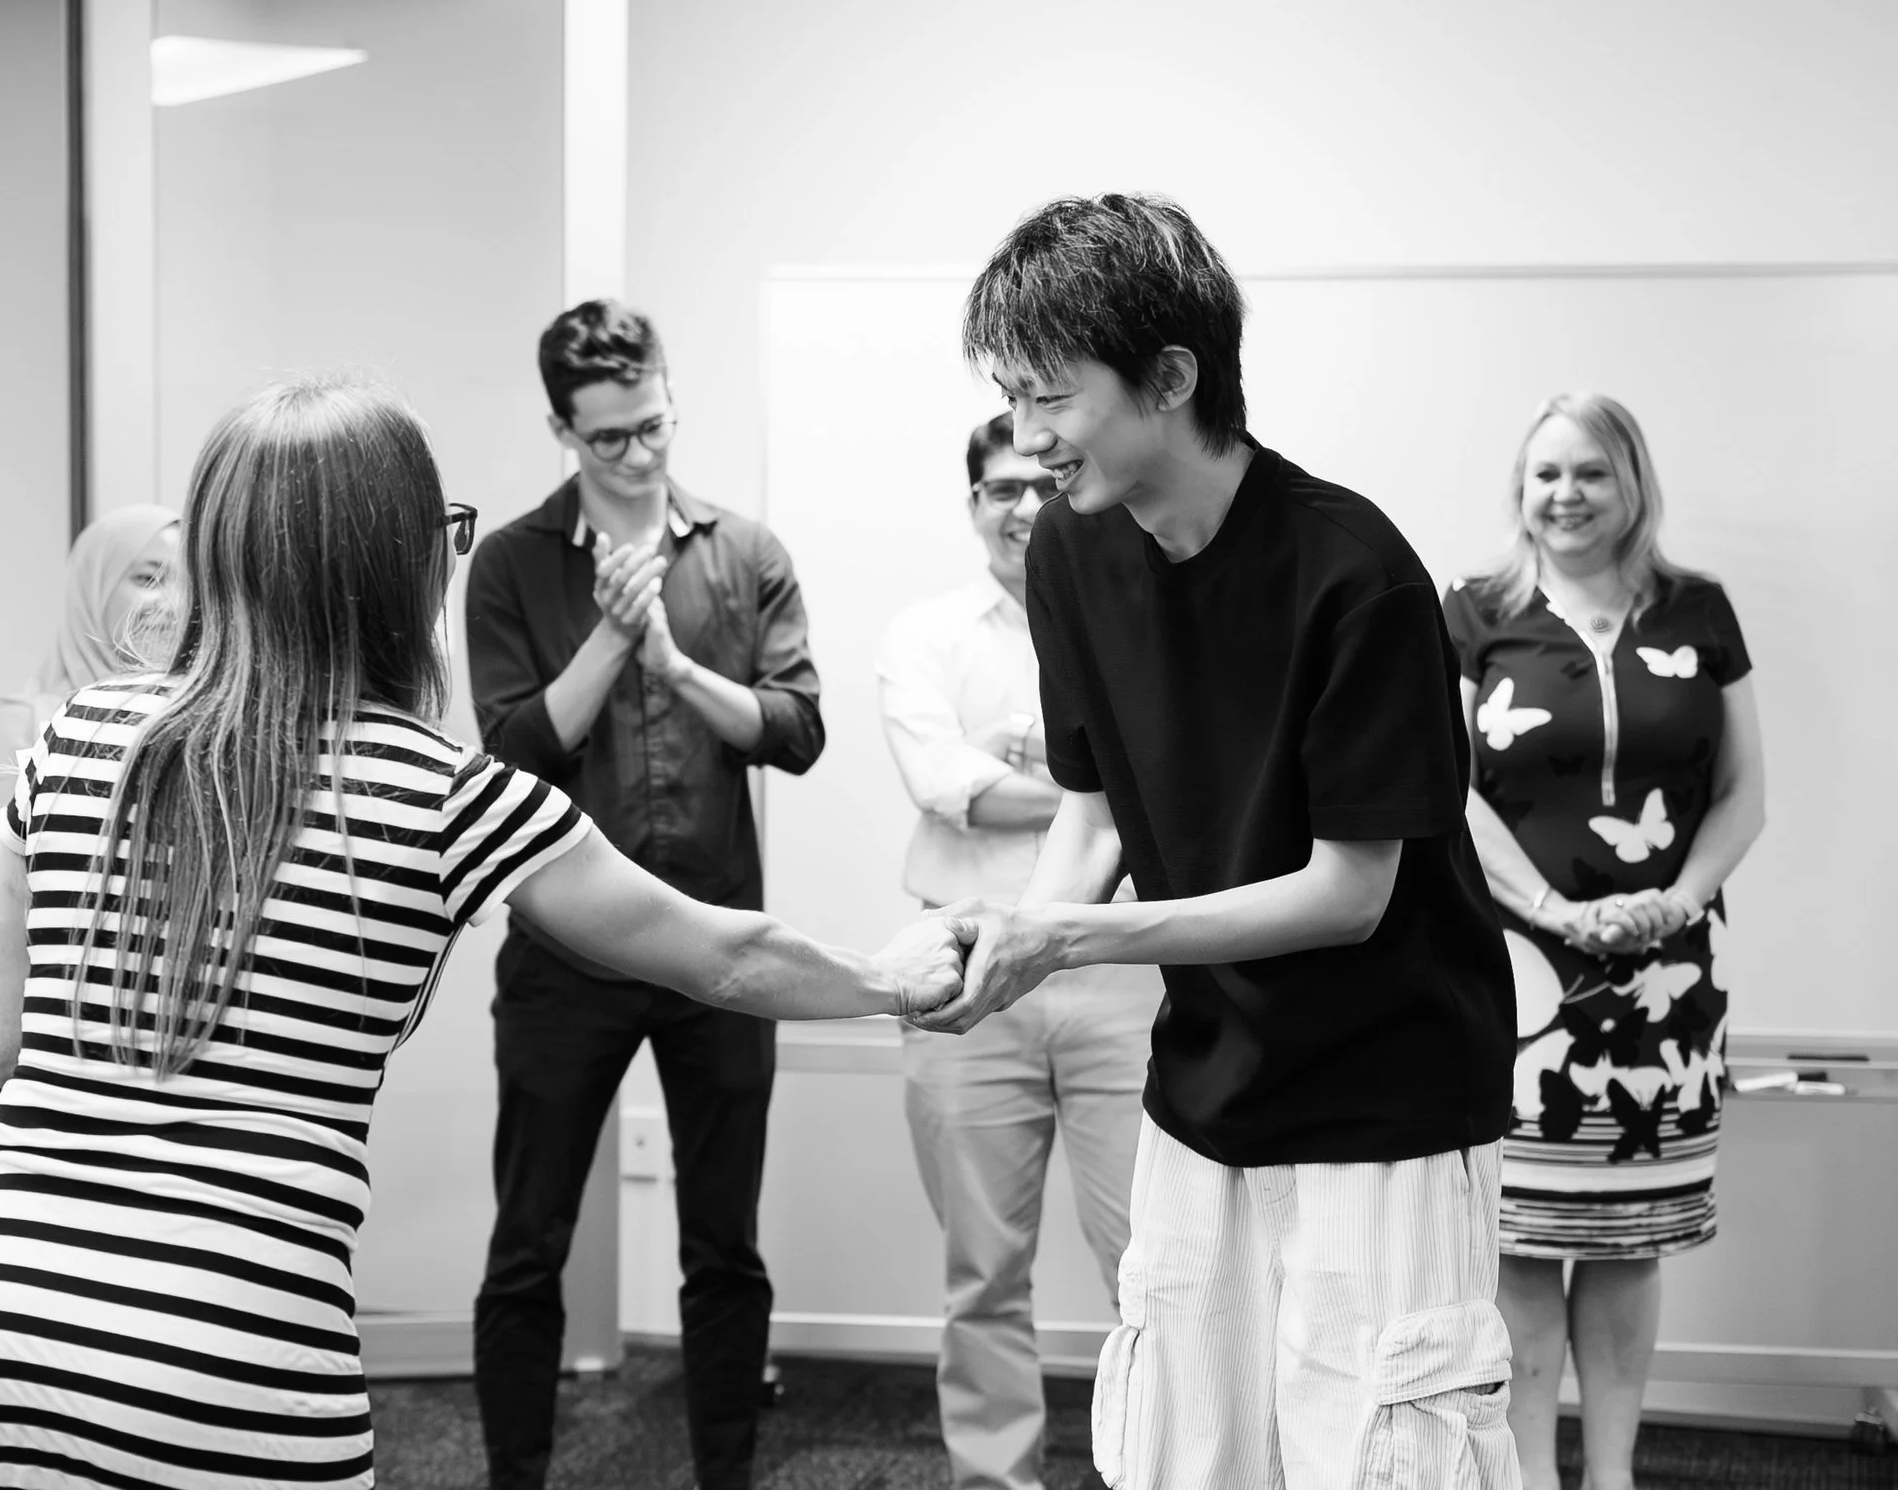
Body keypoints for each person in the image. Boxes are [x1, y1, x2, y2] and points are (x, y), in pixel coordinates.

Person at [0, 375, 963, 1490]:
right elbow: (724, 955)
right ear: (396, 567)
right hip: (234, 1350)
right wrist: (891, 979)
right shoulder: (446, 793)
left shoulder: (70, 735)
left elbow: (4, 1052)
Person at [911, 194, 1522, 1490]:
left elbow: (1348, 895)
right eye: (1008, 403)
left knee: (1373, 1453)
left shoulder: (1355, 573)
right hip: (1207, 1089)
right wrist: (1014, 941)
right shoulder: (1075, 550)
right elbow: (1098, 807)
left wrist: (1070, 932)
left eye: (1051, 401)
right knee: (1189, 1448)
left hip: (1388, 1102)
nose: (1026, 444)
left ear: (1172, 377)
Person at [462, 300, 824, 1490]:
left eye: (652, 425)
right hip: (567, 957)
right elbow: (511, 756)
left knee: (725, 1245)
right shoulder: (512, 561)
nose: (636, 454)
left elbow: (795, 730)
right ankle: (515, 1475)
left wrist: (673, 659)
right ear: (562, 430)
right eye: (607, 436)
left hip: (719, 950)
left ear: (671, 399)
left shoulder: (747, 550)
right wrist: (615, 640)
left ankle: (728, 1471)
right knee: (530, 1245)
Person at [1442, 394, 1766, 1490]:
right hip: (1519, 978)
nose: (1564, 494)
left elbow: (1741, 794)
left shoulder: (1699, 609)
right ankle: (1532, 1474)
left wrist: (1675, 902)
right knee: (1523, 1241)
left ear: (1632, 483)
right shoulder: (1474, 609)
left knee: (1631, 1236)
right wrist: (1554, 905)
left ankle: (1613, 1473)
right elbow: (1448, 790)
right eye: (1544, 473)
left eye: (1589, 472)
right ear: (1518, 487)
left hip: (1668, 982)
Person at [876, 411, 1159, 1490]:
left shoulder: (1130, 615)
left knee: (1154, 1262)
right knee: (982, 1271)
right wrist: (1099, 784)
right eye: (999, 487)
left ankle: (1164, 1466)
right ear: (974, 505)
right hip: (962, 982)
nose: (1022, 504)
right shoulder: (924, 633)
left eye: (1039, 481)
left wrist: (1034, 772)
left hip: (1114, 971)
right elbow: (950, 788)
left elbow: (1118, 786)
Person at [0, 502, 180, 1166]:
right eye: (146, 577)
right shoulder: (21, 730)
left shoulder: (192, 728)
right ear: (93, 590)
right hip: (48, 1071)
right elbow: (11, 933)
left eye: (185, 580)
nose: (170, 601)